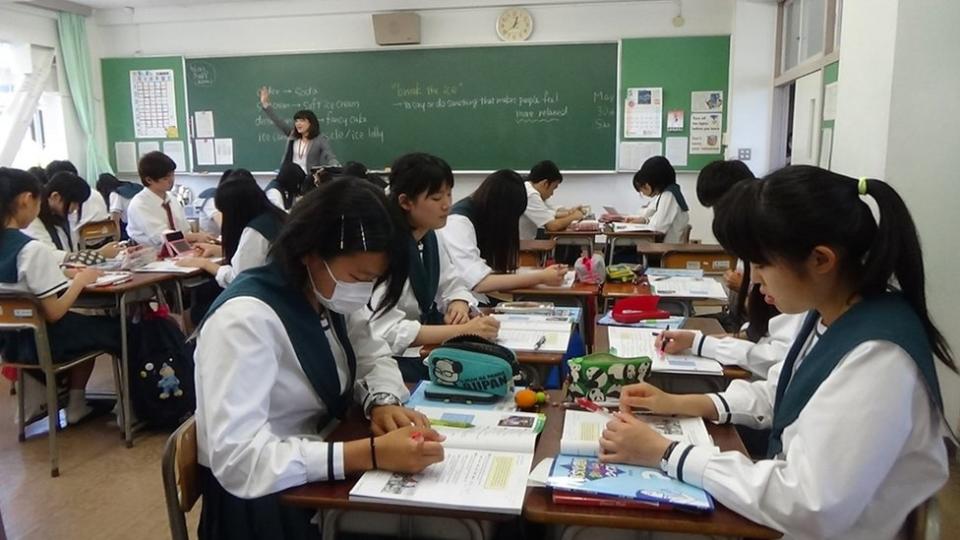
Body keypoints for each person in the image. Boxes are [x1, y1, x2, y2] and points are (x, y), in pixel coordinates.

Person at [600, 166, 953, 539]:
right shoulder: (833, 315)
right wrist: (676, 402)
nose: (754, 278)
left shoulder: (879, 358)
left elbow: (808, 503)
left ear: (821, 260)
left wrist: (667, 453)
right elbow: (783, 394)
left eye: (763, 263)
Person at [194, 178, 444, 540]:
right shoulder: (246, 320)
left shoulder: (327, 295)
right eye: (359, 276)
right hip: (266, 502)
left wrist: (382, 402)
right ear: (310, 252)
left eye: (373, 281)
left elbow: (374, 355)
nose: (362, 291)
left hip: (319, 473)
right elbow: (239, 460)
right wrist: (370, 454)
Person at [0, 167, 121, 424]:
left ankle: (77, 404)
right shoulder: (31, 249)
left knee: (90, 324)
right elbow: (54, 313)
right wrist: (80, 280)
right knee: (120, 327)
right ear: (25, 199)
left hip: (11, 346)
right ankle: (130, 408)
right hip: (44, 342)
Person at [365, 153, 499, 382]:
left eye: (448, 193)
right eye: (437, 198)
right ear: (405, 202)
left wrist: (458, 302)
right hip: (391, 361)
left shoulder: (430, 236)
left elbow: (451, 282)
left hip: (426, 345)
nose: (447, 205)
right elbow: (386, 331)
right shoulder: (383, 246)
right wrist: (460, 331)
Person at [438, 169, 567, 303]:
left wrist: (542, 274)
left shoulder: (481, 213)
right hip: (460, 304)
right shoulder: (458, 222)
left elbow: (488, 273)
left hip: (474, 299)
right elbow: (480, 283)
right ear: (501, 211)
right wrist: (541, 277)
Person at [177, 169, 286, 324]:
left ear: (236, 210)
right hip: (278, 294)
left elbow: (239, 279)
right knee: (205, 292)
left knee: (198, 311)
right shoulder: (274, 217)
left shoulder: (255, 231)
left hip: (265, 300)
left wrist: (203, 263)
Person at [23, 172, 120, 263]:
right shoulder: (33, 221)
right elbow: (51, 257)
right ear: (55, 196)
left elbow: (72, 251)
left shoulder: (62, 216)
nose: (76, 208)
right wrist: (99, 254)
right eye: (74, 203)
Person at [126, 151, 212, 248]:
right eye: (165, 178)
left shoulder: (172, 199)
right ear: (149, 180)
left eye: (172, 174)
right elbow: (162, 236)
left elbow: (185, 229)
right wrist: (195, 237)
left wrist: (202, 237)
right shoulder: (140, 204)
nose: (171, 180)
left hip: (179, 251)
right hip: (149, 255)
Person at [258, 86, 339, 174]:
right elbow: (278, 121)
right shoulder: (292, 135)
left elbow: (329, 155)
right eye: (296, 121)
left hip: (309, 178)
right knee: (273, 186)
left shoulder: (320, 139)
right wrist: (265, 104)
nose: (298, 124)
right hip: (289, 176)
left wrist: (335, 165)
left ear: (310, 123)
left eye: (302, 121)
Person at [622, 156, 690, 243]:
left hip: (665, 250)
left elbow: (658, 227)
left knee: (619, 246)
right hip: (661, 246)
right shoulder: (666, 194)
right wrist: (645, 220)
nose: (646, 185)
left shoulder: (669, 195)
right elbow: (657, 220)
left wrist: (644, 222)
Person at [519, 160, 587, 240]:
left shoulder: (531, 189)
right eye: (553, 188)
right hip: (520, 245)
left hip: (524, 240)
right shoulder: (530, 194)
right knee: (565, 242)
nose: (552, 194)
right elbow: (552, 226)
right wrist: (574, 216)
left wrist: (570, 211)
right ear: (545, 183)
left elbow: (551, 211)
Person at [96, 172, 143, 239]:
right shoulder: (136, 187)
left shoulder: (115, 194)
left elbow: (115, 222)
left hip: (130, 230)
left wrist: (116, 242)